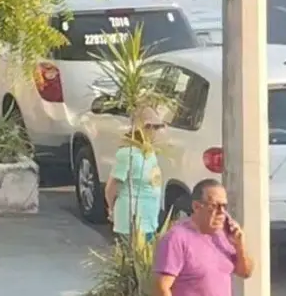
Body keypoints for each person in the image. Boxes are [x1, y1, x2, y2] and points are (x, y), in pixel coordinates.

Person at [153, 179, 254, 296]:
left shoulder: (225, 236)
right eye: (215, 206)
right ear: (196, 206)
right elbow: (161, 288)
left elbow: (245, 272)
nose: (221, 212)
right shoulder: (176, 238)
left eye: (224, 206)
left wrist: (240, 246)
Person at [106, 105, 165, 244]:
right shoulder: (127, 153)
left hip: (149, 218)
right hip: (131, 219)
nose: (154, 131)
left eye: (156, 128)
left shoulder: (149, 152)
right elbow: (112, 186)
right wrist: (111, 208)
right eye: (150, 127)